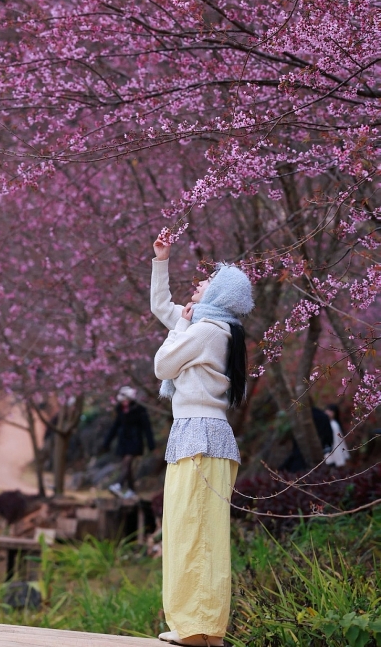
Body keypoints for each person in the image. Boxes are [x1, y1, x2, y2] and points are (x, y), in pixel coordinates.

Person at [151, 237, 254, 647]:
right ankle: (205, 628)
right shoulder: (215, 327)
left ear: (220, 293)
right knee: (202, 532)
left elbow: (163, 363)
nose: (199, 283)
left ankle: (193, 628)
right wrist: (162, 262)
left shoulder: (206, 331)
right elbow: (163, 308)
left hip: (197, 434)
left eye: (207, 280)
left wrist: (181, 324)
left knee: (188, 531)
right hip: (207, 435)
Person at [104, 385, 155, 499]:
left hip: (135, 441)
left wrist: (151, 443)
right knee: (128, 467)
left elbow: (147, 428)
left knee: (127, 463)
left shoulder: (139, 410)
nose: (125, 403)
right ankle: (132, 490)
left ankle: (119, 485)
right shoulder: (120, 411)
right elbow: (115, 427)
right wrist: (106, 442)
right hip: (123, 441)